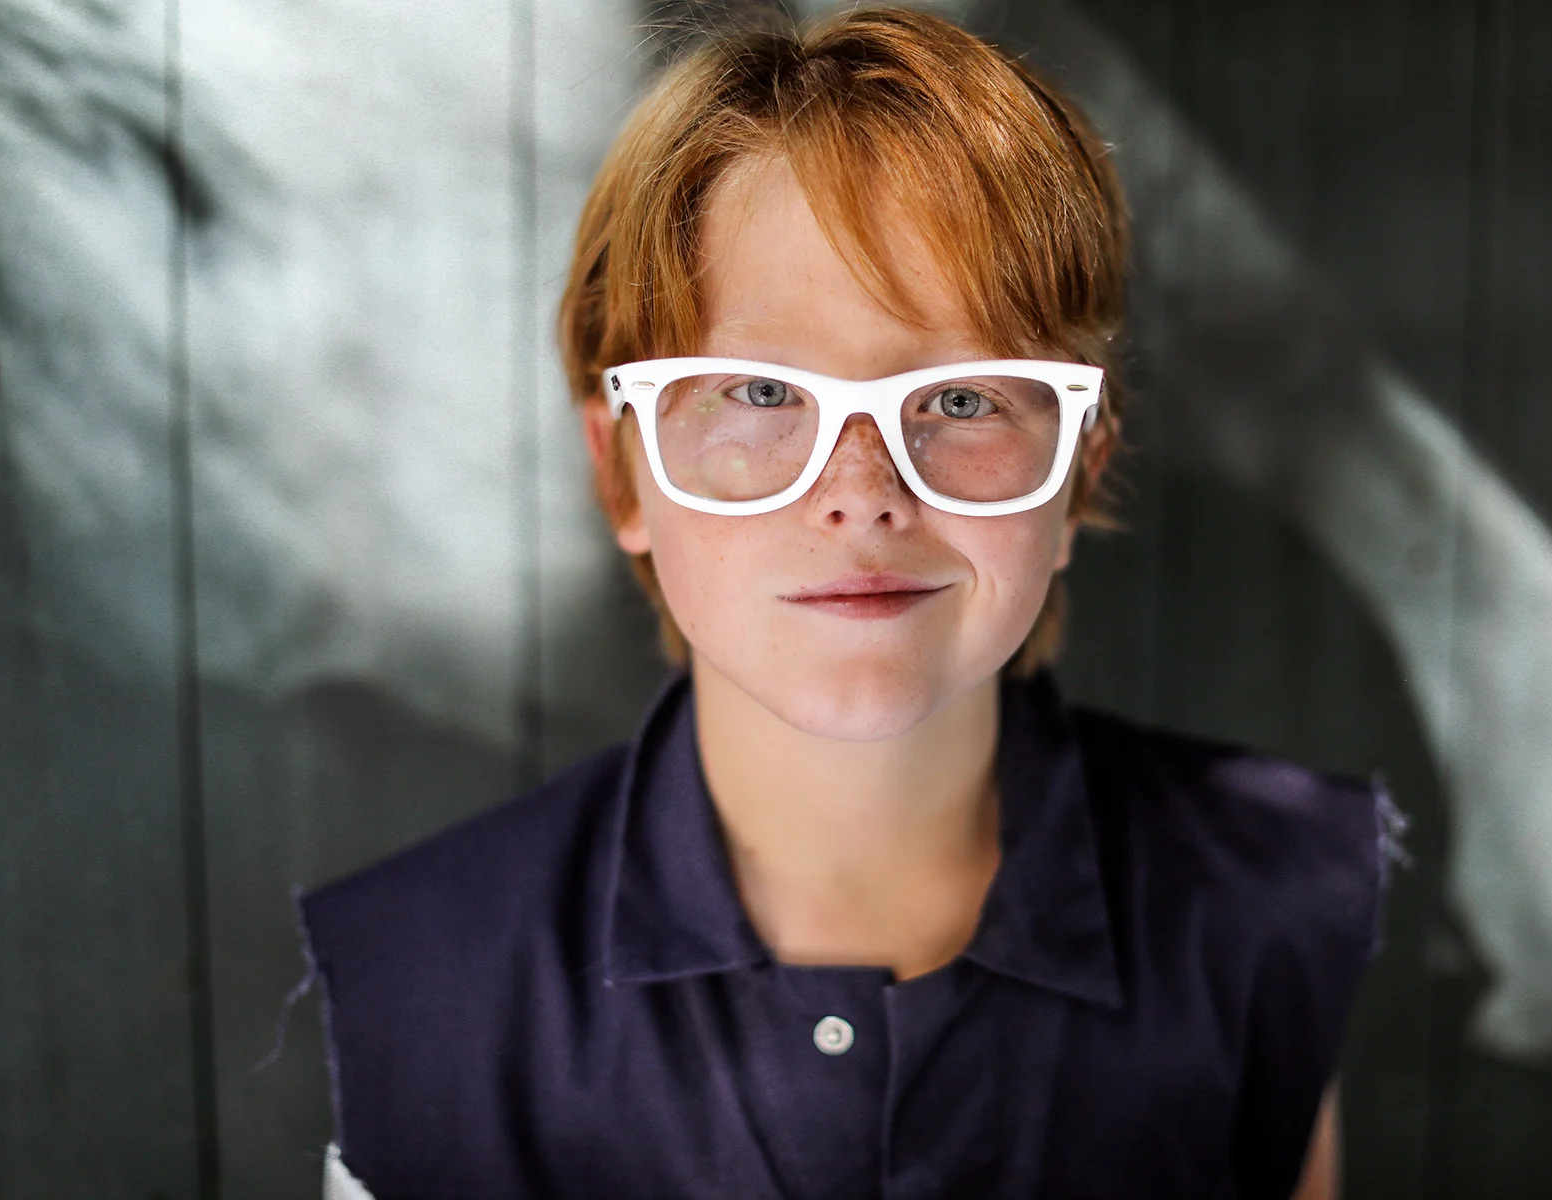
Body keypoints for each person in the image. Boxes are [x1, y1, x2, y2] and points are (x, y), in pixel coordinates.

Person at [299, 7, 1402, 1198]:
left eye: (966, 399)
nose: (863, 494)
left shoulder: (1263, 903)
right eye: (762, 392)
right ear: (621, 473)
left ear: (1081, 468)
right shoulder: (411, 980)